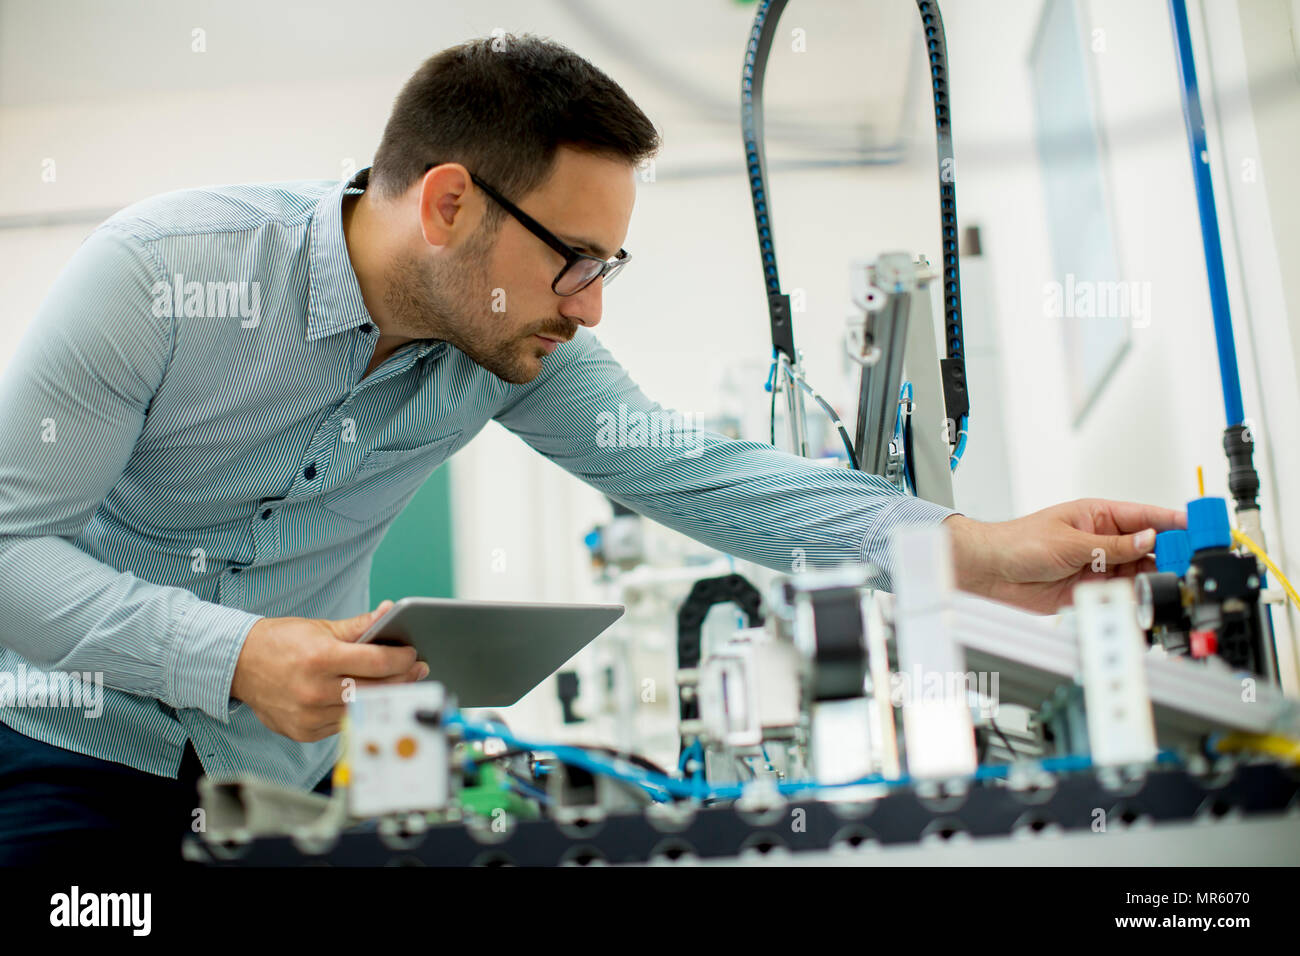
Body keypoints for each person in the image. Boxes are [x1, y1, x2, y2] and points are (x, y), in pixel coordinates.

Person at [0, 34, 1182, 865]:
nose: (591, 307)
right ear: (451, 203)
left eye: (607, 270)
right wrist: (232, 650)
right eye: (576, 261)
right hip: (70, 751)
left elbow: (695, 474)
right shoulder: (163, 278)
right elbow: (10, 550)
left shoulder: (514, 347)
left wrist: (968, 548)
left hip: (284, 779)